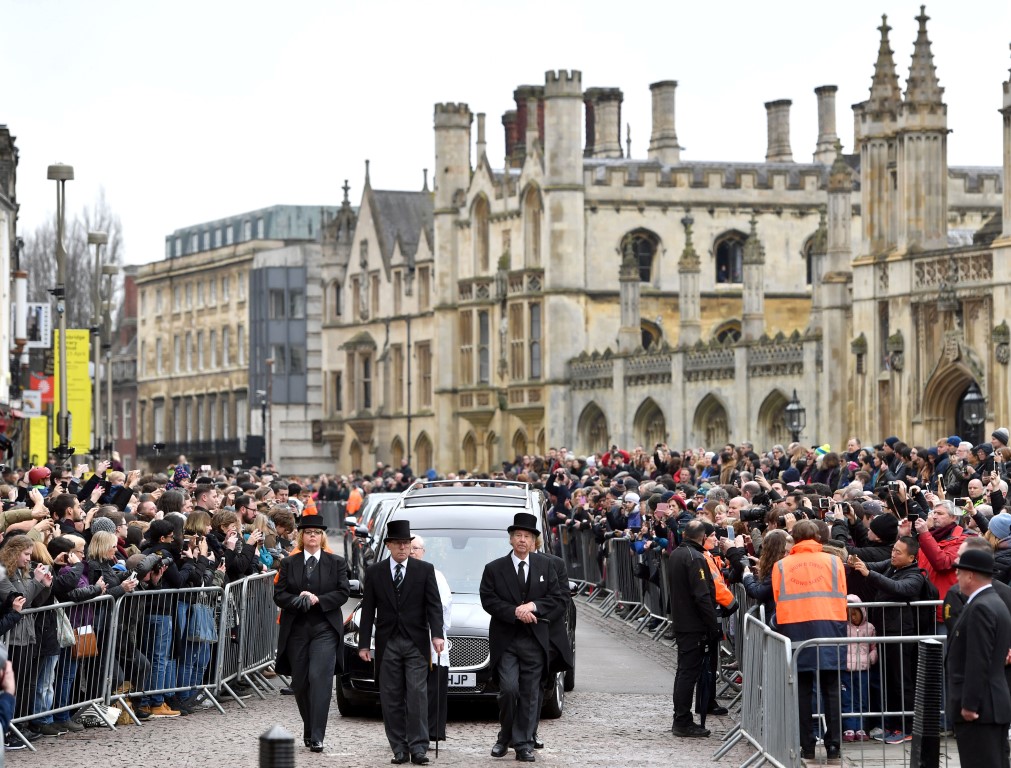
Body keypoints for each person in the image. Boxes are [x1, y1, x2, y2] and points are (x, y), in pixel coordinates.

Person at [358, 520, 444, 766]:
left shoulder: (424, 570)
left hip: (416, 642)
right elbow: (367, 610)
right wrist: (365, 644)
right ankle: (398, 747)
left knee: (417, 695)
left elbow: (434, 605)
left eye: (406, 544)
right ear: (388, 545)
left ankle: (418, 748)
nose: (403, 548)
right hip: (388, 643)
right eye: (398, 544)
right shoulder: (375, 572)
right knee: (391, 696)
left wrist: (437, 634)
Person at [480, 512, 563, 763]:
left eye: (527, 536)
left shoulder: (546, 566)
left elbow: (558, 600)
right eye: (518, 535)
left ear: (534, 541)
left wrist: (534, 607)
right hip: (506, 640)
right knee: (508, 689)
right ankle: (505, 734)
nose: (522, 540)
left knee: (530, 693)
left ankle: (524, 743)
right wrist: (515, 611)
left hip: (535, 640)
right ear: (510, 539)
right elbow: (488, 599)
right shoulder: (494, 568)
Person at [772, 519, 847, 762]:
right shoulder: (835, 561)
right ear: (817, 537)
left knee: (803, 691)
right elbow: (842, 592)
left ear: (794, 537)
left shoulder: (782, 565)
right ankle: (834, 744)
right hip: (830, 626)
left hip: (795, 628)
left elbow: (776, 596)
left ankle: (807, 745)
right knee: (832, 689)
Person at [273, 516, 350, 753]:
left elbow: (343, 592)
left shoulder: (336, 562)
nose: (313, 536)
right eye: (308, 532)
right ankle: (310, 727)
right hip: (297, 629)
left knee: (320, 678)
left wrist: (319, 599)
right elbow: (279, 594)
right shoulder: (289, 563)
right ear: (302, 536)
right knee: (301, 683)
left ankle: (318, 735)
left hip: (325, 628)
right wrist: (298, 600)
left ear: (322, 536)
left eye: (317, 532)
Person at [945, 547, 1011, 767]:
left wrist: (970, 704)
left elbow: (978, 659)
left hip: (981, 709)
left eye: (960, 572)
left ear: (971, 575)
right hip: (991, 705)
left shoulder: (981, 606)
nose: (957, 576)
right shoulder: (992, 601)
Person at [667, 519, 719, 738]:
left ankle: (681, 717)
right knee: (688, 672)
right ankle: (682, 720)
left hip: (683, 621)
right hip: (692, 624)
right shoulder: (694, 557)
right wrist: (713, 624)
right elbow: (701, 595)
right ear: (702, 537)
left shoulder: (678, 553)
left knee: (684, 672)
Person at [408, 535, 451, 745]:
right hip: (408, 639)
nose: (413, 551)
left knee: (433, 688)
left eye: (417, 548)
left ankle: (433, 730)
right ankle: (413, 730)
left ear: (423, 552)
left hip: (431, 637)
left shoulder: (435, 575)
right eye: (411, 548)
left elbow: (442, 605)